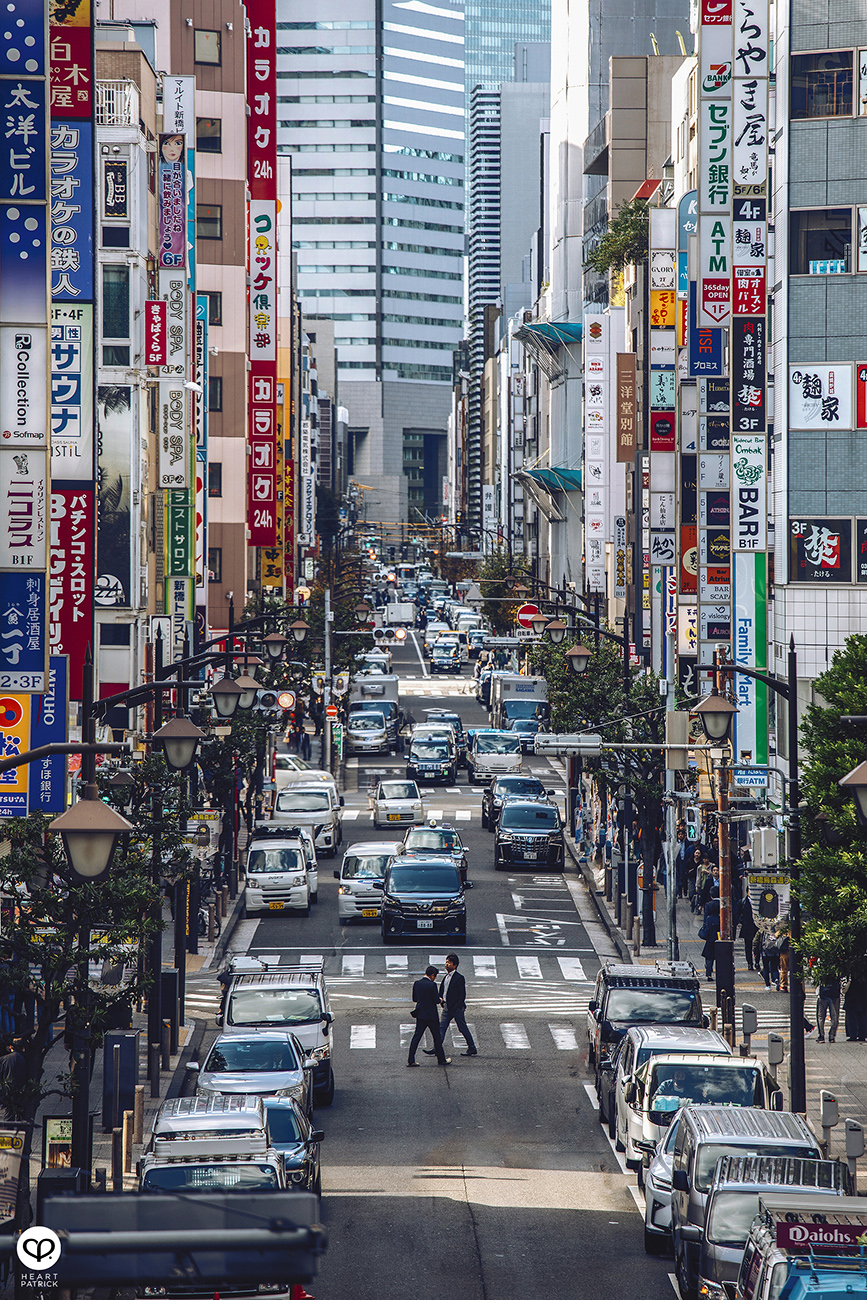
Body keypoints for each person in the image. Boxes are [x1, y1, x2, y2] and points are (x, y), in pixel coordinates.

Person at [423, 953, 477, 1058]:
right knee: (441, 1028)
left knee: (462, 1028)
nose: (446, 964)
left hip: (456, 1008)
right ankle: (437, 1048)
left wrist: (458, 1006)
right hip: (447, 1007)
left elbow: (462, 994)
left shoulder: (459, 977)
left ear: (455, 965)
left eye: (449, 963)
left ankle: (472, 1047)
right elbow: (442, 990)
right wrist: (442, 1002)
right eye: (446, 962)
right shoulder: (446, 977)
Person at [407, 966, 450, 1066]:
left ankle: (411, 1060)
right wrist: (440, 1000)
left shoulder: (417, 983)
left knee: (416, 1037)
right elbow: (436, 1000)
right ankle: (441, 1060)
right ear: (432, 975)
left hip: (421, 1014)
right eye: (435, 976)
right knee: (437, 1037)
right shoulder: (432, 985)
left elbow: (414, 999)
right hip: (431, 1015)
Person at [0, 1040, 27, 1120]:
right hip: (19, 1092)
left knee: (7, 1116)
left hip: (6, 1093)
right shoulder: (23, 1059)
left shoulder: (4, 1059)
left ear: (11, 1047)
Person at [816, 976, 841, 1043]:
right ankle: (832, 1035)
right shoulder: (838, 971)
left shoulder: (822, 971)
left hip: (824, 993)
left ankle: (821, 1035)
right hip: (835, 993)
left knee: (821, 1016)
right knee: (834, 1016)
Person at [739, 896, 758, 971]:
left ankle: (757, 961)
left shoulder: (757, 900)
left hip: (756, 927)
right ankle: (749, 963)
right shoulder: (743, 902)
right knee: (748, 947)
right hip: (747, 927)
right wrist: (742, 921)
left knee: (757, 946)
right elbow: (738, 912)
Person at [760, 924, 781, 990]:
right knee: (774, 967)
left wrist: (756, 952)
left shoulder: (762, 930)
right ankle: (776, 979)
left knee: (765, 968)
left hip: (765, 952)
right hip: (775, 951)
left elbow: (757, 941)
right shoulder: (778, 929)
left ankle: (767, 985)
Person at [776, 922, 790, 993]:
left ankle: (784, 985)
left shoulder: (783, 929)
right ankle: (798, 985)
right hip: (795, 951)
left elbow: (776, 935)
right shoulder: (797, 928)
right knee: (796, 969)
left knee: (784, 969)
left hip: (785, 952)